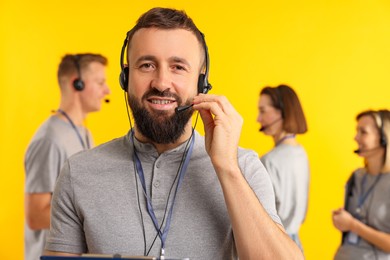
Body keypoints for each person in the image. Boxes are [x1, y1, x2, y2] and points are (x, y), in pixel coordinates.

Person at [44, 7, 303, 260]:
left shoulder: (244, 168)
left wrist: (227, 168)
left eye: (178, 67)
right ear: (126, 77)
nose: (161, 82)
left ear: (201, 82)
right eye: (146, 65)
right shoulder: (78, 173)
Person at [24, 53, 110, 260]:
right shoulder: (49, 140)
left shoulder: (84, 133)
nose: (107, 90)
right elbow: (35, 216)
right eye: (100, 83)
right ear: (77, 84)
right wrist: (95, 212)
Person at [256, 84, 310, 251]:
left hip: (274, 246)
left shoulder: (269, 160)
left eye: (263, 111)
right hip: (295, 246)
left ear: (282, 112)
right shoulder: (301, 153)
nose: (258, 118)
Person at [332, 109, 390, 260]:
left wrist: (352, 225)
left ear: (384, 138)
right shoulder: (357, 176)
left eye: (363, 132)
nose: (355, 137)